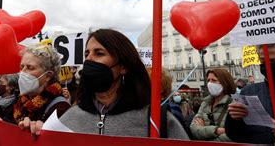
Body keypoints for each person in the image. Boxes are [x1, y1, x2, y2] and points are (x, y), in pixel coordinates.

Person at [59, 29, 188, 139]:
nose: (88, 59)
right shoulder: (69, 117)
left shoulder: (157, 121)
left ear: (123, 67)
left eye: (99, 53)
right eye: (86, 54)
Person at [0, 45, 70, 137]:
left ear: (48, 76)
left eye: (30, 68)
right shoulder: (21, 100)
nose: (22, 72)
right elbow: (7, 122)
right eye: (21, 67)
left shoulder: (60, 107)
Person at [225, 43, 275, 144]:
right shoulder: (248, 92)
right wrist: (234, 119)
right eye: (263, 61)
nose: (267, 65)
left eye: (273, 61)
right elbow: (236, 136)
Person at [190, 68, 235, 141]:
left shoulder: (233, 104)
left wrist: (205, 132)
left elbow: (233, 135)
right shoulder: (205, 103)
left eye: (214, 80)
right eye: (208, 80)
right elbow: (194, 128)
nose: (210, 84)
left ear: (225, 82)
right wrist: (217, 130)